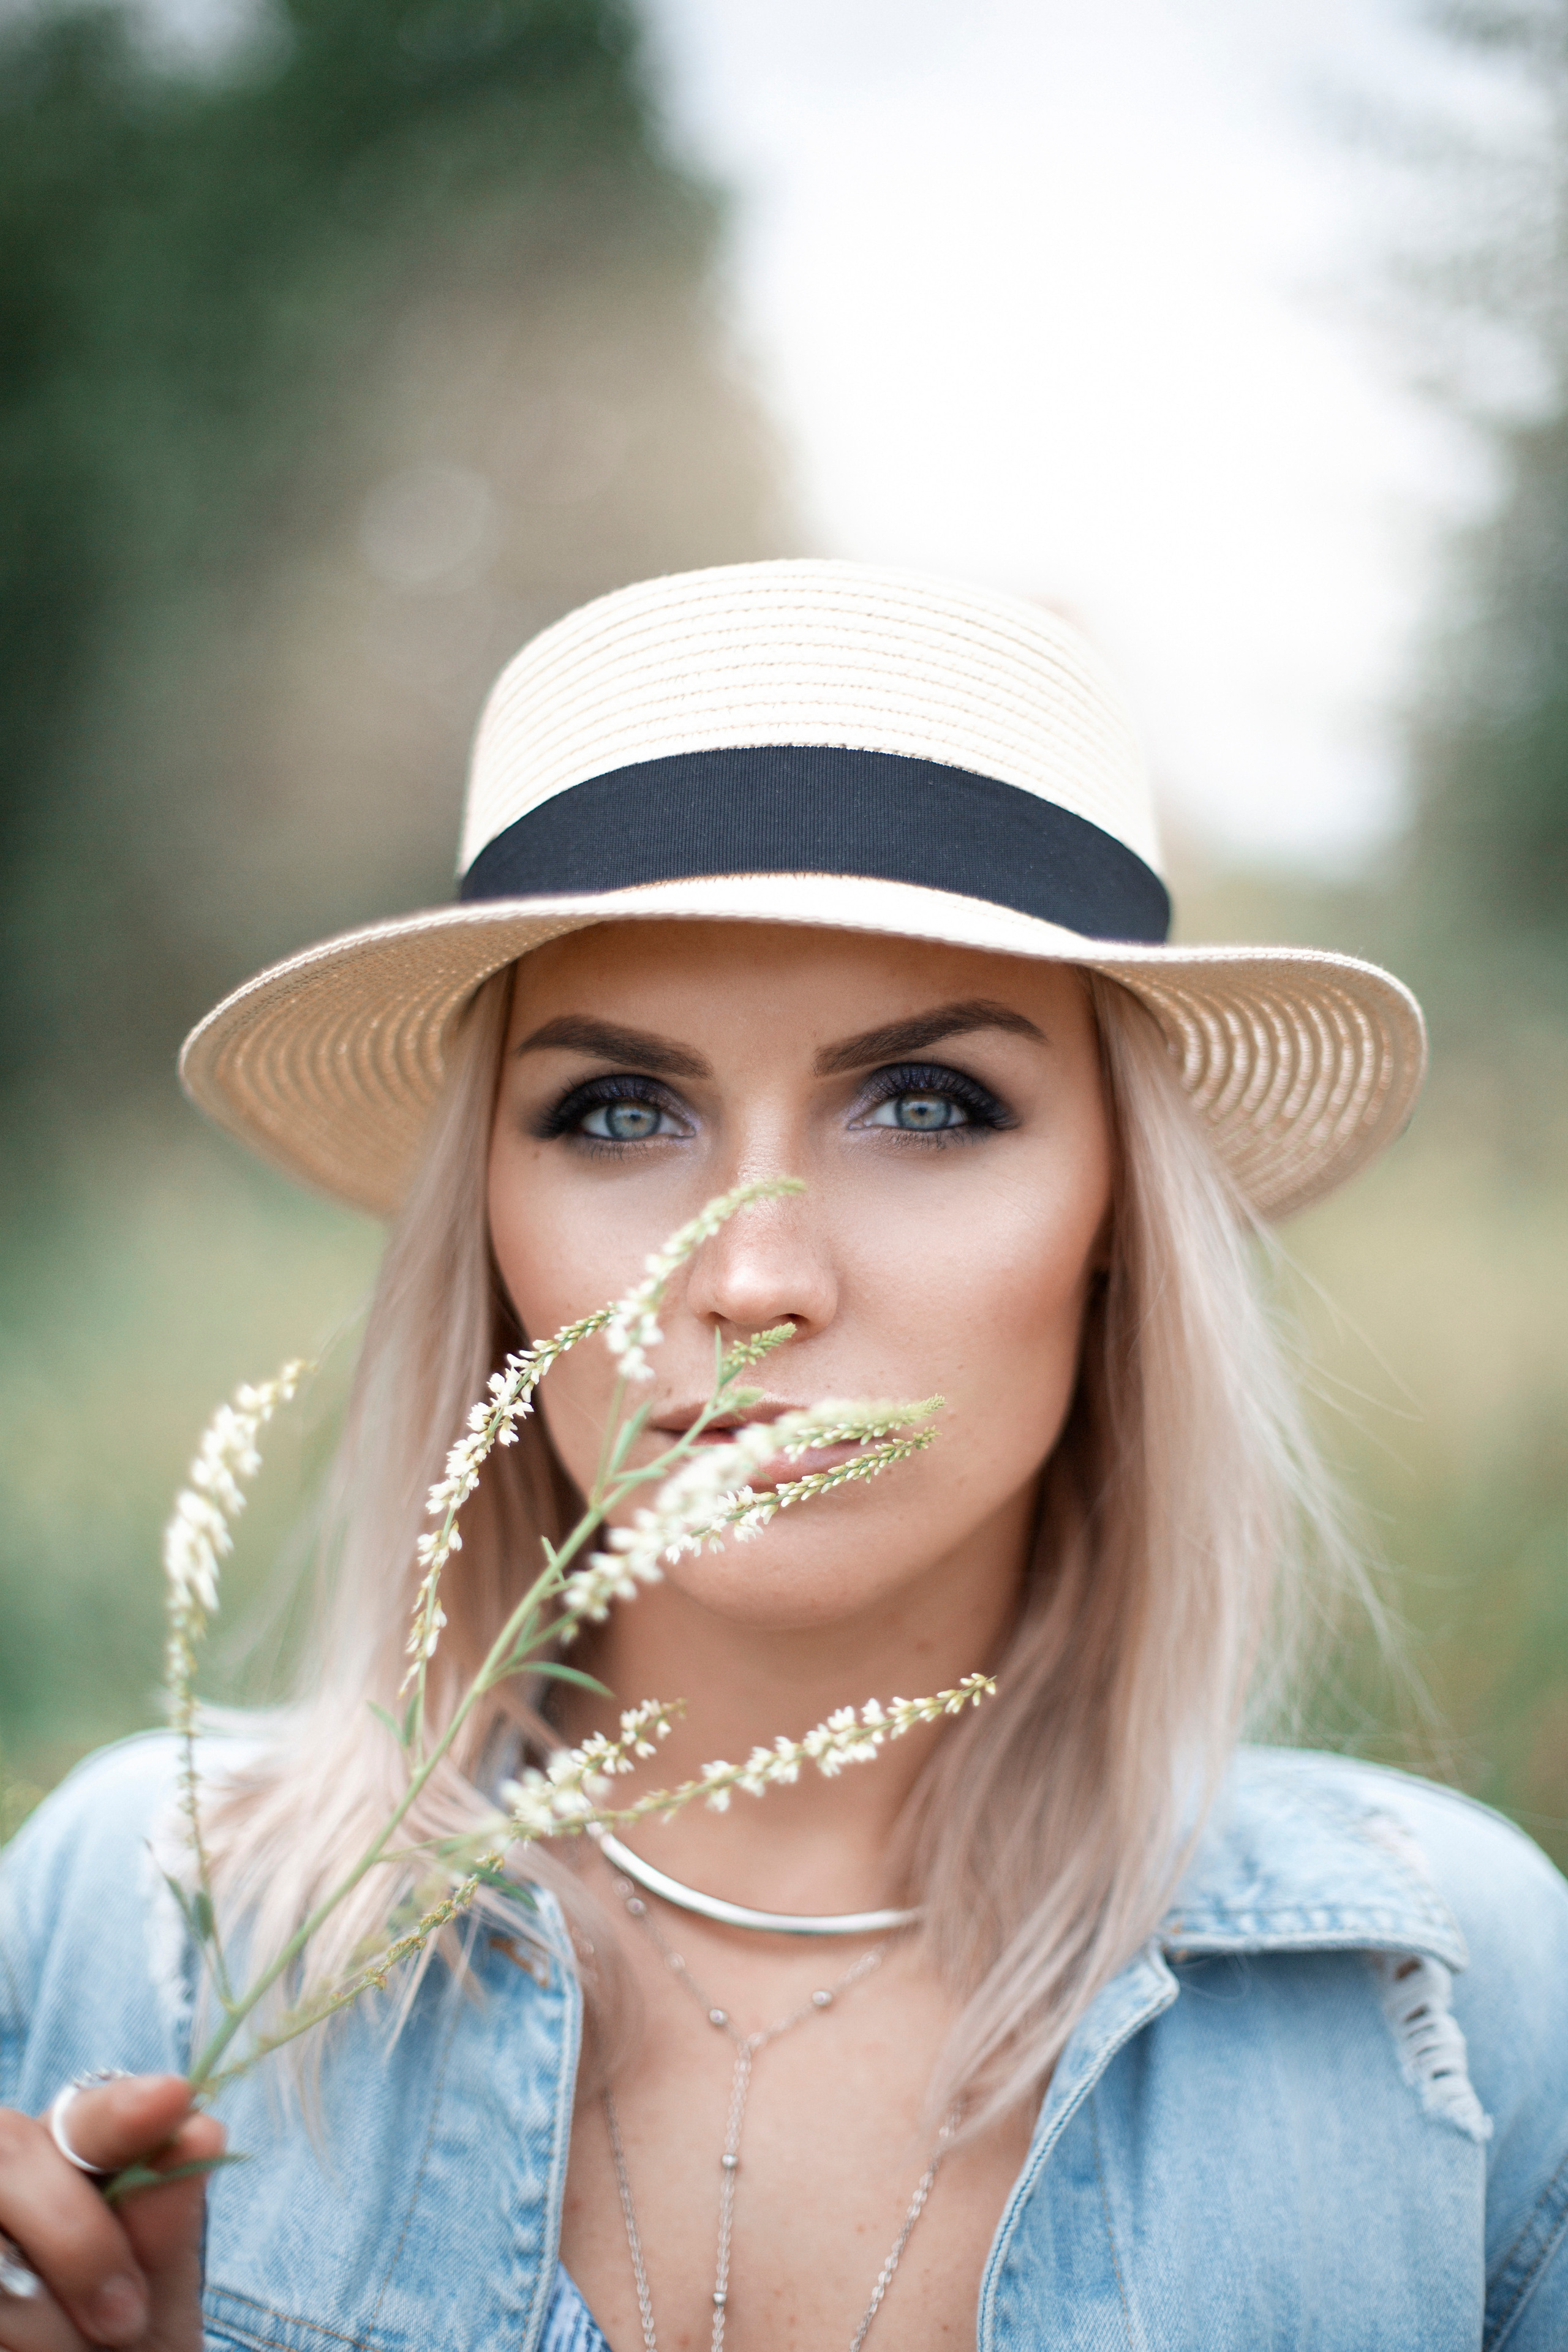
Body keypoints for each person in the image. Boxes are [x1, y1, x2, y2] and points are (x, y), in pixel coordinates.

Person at [2, 560, 1565, 2352]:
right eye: (618, 1111)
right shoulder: (153, 1923)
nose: (752, 1276)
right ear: (492, 1227)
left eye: (929, 1105)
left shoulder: (1448, 2005)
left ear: (1119, 1207)